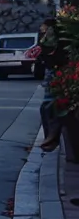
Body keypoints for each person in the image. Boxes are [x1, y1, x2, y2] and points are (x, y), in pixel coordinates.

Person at [34, 17, 69, 152]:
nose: (41, 29)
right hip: (51, 74)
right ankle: (50, 137)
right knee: (47, 107)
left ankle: (51, 138)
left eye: (44, 27)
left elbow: (56, 57)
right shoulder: (45, 40)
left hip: (58, 74)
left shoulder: (58, 42)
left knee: (50, 107)